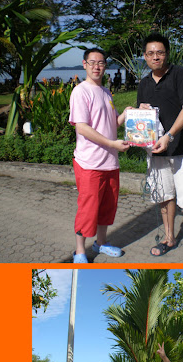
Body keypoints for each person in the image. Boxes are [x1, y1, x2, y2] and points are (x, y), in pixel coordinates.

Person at [137, 33, 183, 263]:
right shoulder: (144, 83)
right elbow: (141, 115)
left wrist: (169, 135)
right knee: (165, 196)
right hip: (156, 151)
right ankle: (169, 238)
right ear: (145, 56)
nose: (155, 57)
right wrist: (141, 111)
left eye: (160, 52)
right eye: (150, 53)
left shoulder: (181, 75)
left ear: (167, 54)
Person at [68, 48, 130, 264]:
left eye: (101, 63)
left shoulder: (105, 92)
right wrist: (113, 143)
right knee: (88, 208)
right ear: (84, 64)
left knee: (107, 206)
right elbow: (82, 128)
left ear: (105, 66)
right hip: (89, 163)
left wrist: (126, 114)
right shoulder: (80, 91)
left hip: (110, 162)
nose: (97, 66)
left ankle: (100, 243)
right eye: (92, 62)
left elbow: (112, 124)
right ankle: (80, 252)